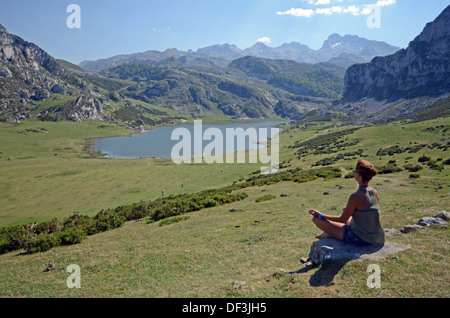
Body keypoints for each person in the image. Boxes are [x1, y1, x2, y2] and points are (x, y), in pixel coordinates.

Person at [309, 160, 385, 246]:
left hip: (359, 237)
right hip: (376, 236)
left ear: (359, 175)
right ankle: (329, 233)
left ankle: (330, 233)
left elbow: (342, 219)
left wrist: (321, 215)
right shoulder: (374, 192)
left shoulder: (356, 196)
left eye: (354, 171)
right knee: (348, 216)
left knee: (316, 220)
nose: (354, 173)